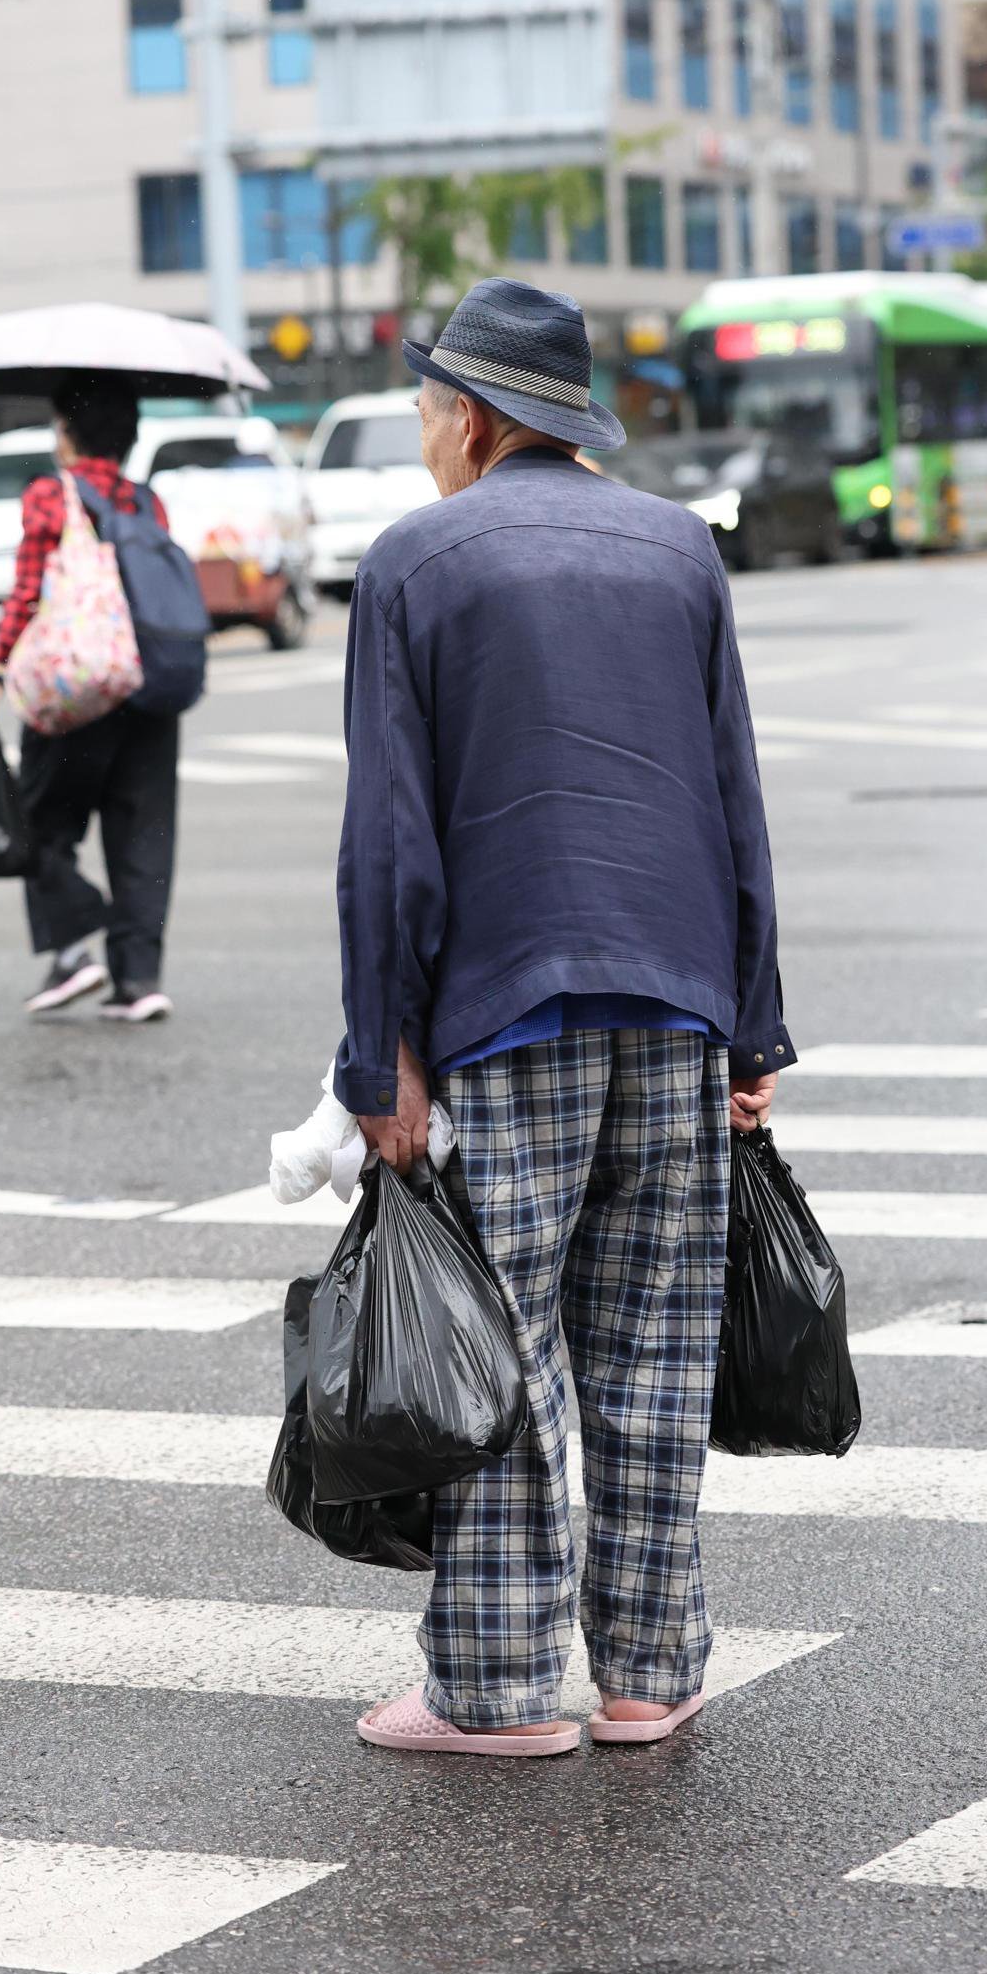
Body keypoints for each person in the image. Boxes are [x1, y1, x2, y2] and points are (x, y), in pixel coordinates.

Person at [332, 278, 792, 1759]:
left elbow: (389, 837)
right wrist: (754, 1031)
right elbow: (735, 801)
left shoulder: (417, 561)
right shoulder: (679, 551)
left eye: (423, 407)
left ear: (471, 417)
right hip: (675, 1004)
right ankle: (650, 1672)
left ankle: (495, 1691)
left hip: (499, 1010)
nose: (420, 433)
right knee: (653, 1352)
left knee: (504, 1353)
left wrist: (377, 1052)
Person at [0, 374, 178, 1022]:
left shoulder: (50, 496)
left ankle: (73, 948)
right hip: (146, 686)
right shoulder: (148, 503)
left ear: (67, 431)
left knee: (39, 826)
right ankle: (138, 980)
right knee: (142, 836)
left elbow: (28, 592)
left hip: (72, 690)